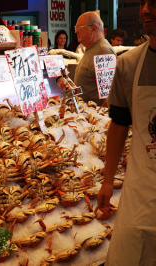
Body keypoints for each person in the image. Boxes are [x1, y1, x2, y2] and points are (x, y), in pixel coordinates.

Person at [97, 0, 156, 265]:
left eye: (154, 3)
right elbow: (119, 124)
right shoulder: (128, 64)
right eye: (144, 2)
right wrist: (108, 180)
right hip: (141, 191)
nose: (145, 9)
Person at [73, 11, 115, 105]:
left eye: (79, 28)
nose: (76, 31)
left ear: (94, 28)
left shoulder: (103, 51)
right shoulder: (93, 48)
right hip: (86, 114)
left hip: (97, 116)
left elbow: (108, 96)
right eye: (75, 28)